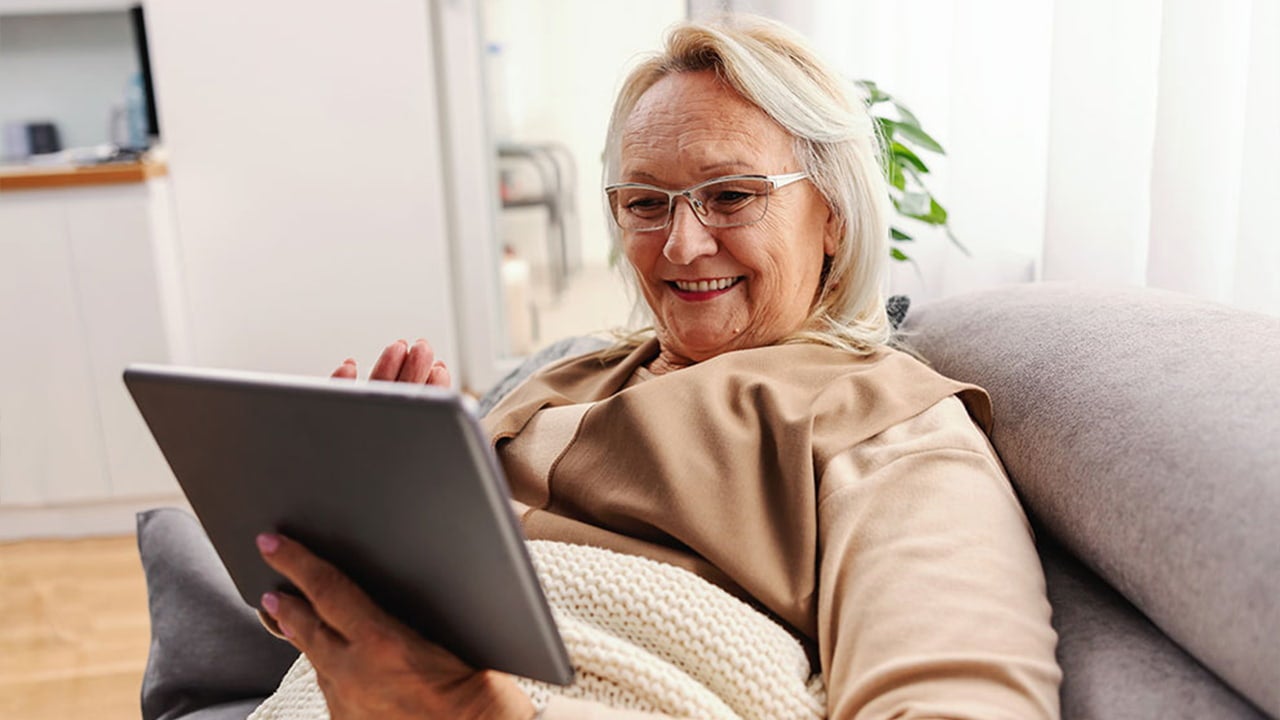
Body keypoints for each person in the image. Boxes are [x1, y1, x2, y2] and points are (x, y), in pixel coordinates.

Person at [253, 14, 1062, 720]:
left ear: (834, 217)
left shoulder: (884, 424)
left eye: (732, 195)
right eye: (645, 203)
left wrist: (477, 713)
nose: (681, 245)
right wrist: (363, 529)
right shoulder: (562, 381)